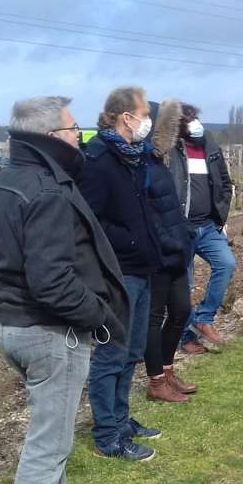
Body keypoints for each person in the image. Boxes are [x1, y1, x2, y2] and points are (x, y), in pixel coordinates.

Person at [0, 96, 130, 484]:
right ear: (50, 137)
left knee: (57, 430)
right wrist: (98, 315)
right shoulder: (45, 190)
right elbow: (50, 281)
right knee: (49, 442)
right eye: (73, 129)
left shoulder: (7, 180)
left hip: (15, 322)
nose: (79, 136)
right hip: (50, 332)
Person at [80, 86, 162, 461]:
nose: (148, 120)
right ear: (125, 117)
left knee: (130, 353)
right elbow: (90, 220)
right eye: (144, 113)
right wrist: (129, 241)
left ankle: (121, 418)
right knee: (111, 354)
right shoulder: (98, 159)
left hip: (141, 268)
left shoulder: (134, 157)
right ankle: (106, 435)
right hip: (117, 272)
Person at [143, 99, 198, 402]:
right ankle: (155, 381)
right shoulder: (141, 164)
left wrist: (184, 236)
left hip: (176, 248)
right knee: (154, 316)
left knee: (181, 311)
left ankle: (167, 368)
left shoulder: (160, 160)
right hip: (158, 253)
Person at [171, 104, 236, 355]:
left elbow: (224, 182)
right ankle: (186, 338)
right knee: (183, 286)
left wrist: (221, 213)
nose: (196, 123)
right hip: (181, 229)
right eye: (190, 120)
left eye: (196, 118)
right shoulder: (173, 151)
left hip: (208, 226)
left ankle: (204, 317)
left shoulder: (209, 145)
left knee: (226, 264)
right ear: (179, 125)